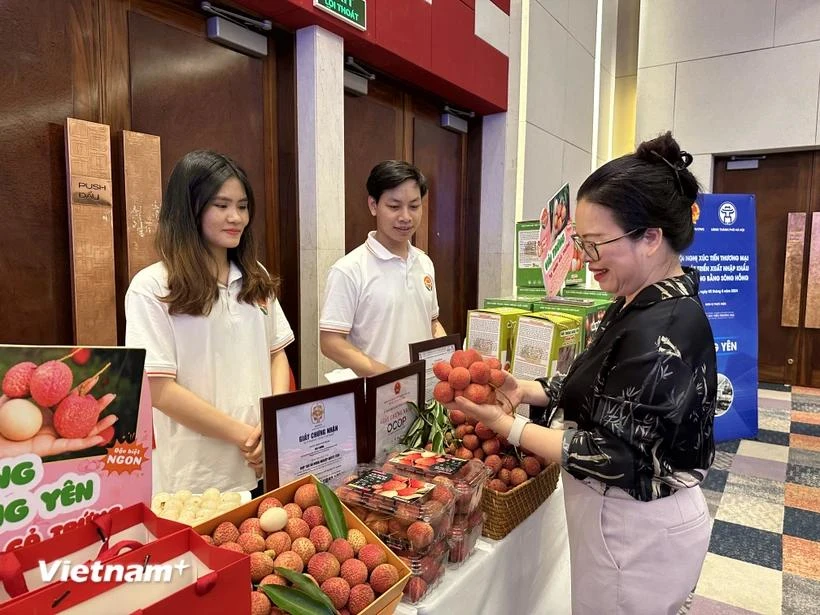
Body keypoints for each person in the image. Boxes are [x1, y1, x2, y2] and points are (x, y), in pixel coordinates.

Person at [449, 132, 716, 615]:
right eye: (579, 243)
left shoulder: (665, 327)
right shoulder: (639, 301)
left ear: (651, 237)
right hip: (624, 524)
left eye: (594, 245)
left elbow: (613, 453)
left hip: (637, 531)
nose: (582, 261)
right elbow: (605, 389)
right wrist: (525, 389)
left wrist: (506, 425)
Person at [125, 150, 294, 496]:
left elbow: (276, 353)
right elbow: (159, 389)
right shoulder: (154, 287)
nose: (236, 217)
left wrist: (271, 427)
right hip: (199, 479)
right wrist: (247, 437)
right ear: (189, 209)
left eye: (243, 206)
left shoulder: (254, 276)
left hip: (264, 462)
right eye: (221, 205)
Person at [319, 160, 446, 376]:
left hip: (423, 395)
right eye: (394, 206)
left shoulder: (424, 263)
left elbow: (432, 323)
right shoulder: (349, 269)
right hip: (377, 395)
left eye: (414, 206)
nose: (406, 217)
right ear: (373, 205)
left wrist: (449, 360)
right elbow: (330, 342)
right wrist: (388, 376)